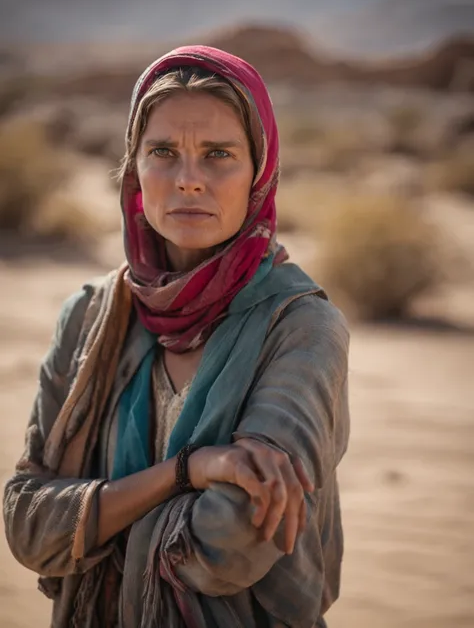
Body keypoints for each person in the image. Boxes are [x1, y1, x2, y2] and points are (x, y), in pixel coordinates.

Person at [3, 46, 350, 628]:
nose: (189, 180)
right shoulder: (90, 316)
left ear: (259, 173)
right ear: (134, 171)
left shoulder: (299, 327)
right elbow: (28, 526)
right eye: (164, 152)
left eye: (219, 155)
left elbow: (227, 546)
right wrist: (188, 470)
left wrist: (92, 517)